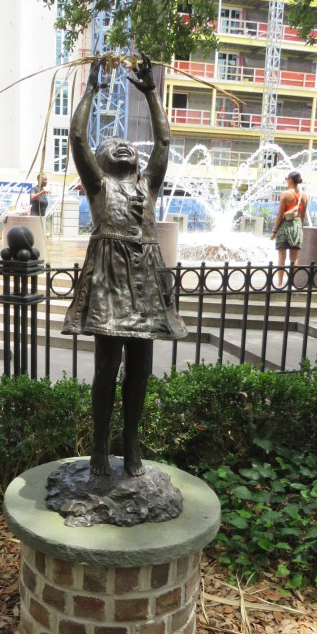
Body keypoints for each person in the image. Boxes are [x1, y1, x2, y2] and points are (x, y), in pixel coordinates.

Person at [62, 54, 187, 477]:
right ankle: (99, 447)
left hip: (147, 280)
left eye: (129, 146)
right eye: (112, 145)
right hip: (111, 281)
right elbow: (77, 138)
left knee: (142, 369)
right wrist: (92, 89)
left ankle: (131, 444)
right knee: (106, 367)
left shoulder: (147, 184)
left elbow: (165, 142)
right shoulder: (99, 185)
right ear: (99, 161)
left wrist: (152, 93)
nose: (123, 144)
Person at [270, 170, 308, 287]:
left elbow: (279, 214)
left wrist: (274, 231)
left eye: (287, 179)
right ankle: (291, 284)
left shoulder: (285, 194)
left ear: (290, 180)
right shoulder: (305, 196)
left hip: (285, 227)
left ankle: (280, 284)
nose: (286, 181)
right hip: (296, 227)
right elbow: (303, 215)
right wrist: (300, 229)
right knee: (294, 258)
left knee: (282, 257)